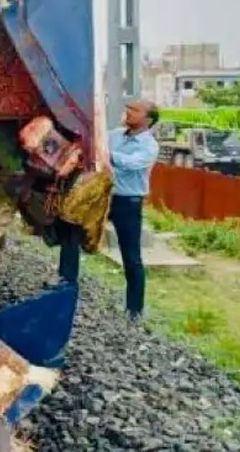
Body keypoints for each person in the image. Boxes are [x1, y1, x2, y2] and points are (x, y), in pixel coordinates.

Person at [57, 100, 160, 321]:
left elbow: (132, 164)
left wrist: (105, 153)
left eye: (135, 110)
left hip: (127, 202)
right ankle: (66, 283)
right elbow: (93, 145)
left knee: (131, 255)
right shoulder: (114, 135)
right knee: (71, 228)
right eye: (128, 108)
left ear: (148, 120)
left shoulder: (149, 145)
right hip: (100, 196)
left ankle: (135, 308)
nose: (128, 112)